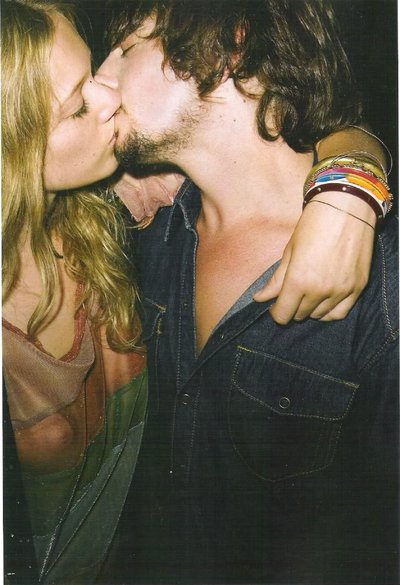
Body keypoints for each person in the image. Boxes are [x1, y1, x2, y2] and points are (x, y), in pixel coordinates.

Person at [98, 1, 399, 583]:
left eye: (128, 48)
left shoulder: (384, 287)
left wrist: (356, 177)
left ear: (230, 47)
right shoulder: (143, 230)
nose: (99, 80)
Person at [2, 2, 148, 583]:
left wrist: (351, 186)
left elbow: (311, 126)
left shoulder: (102, 206)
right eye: (78, 106)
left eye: (94, 75)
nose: (110, 96)